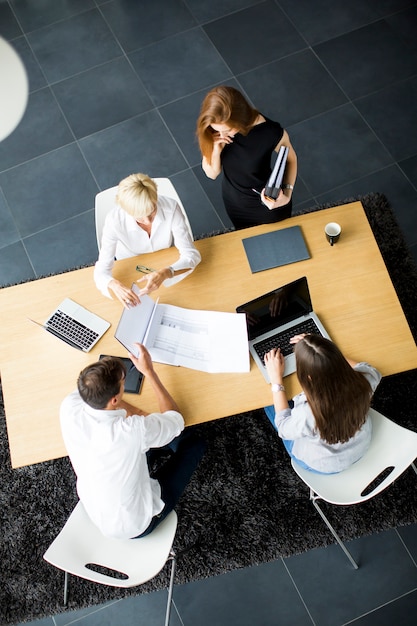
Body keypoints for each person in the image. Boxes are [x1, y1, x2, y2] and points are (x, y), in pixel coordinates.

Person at [60, 345, 205, 539]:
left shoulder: (69, 406)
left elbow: (111, 405)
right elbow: (176, 418)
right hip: (136, 523)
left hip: (98, 510)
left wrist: (139, 414)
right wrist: (149, 372)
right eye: (123, 382)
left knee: (150, 440)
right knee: (193, 442)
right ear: (114, 399)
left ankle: (160, 440)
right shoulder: (131, 431)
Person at [263, 334, 382, 474]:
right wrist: (321, 352)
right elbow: (369, 369)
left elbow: (283, 428)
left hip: (324, 465)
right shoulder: (364, 381)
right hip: (360, 447)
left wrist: (276, 379)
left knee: (268, 403)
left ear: (309, 377)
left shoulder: (308, 413)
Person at [196, 85, 298, 229]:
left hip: (266, 204)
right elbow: (212, 174)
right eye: (217, 130)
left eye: (228, 130)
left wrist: (286, 195)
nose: (223, 135)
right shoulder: (216, 134)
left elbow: (290, 158)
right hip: (234, 203)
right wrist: (216, 150)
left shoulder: (270, 132)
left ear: (240, 118)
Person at [94, 173, 201, 309]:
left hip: (163, 262)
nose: (147, 221)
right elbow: (101, 270)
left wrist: (166, 273)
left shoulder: (171, 208)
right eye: (139, 217)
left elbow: (191, 255)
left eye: (152, 212)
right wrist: (114, 284)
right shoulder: (114, 221)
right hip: (132, 265)